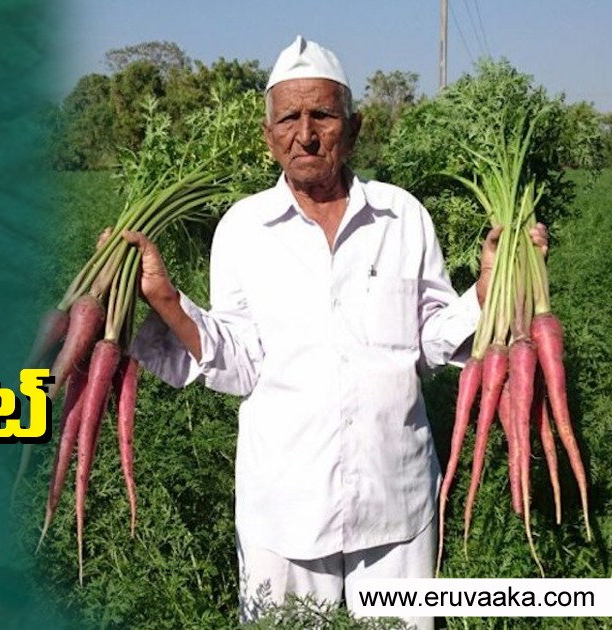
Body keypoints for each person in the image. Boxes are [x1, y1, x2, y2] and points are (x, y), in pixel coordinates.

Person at [120, 36, 548, 629]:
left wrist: (487, 286)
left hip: (396, 497)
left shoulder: (403, 217)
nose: (306, 133)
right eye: (289, 118)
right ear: (268, 133)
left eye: (322, 114)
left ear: (354, 126)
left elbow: (429, 343)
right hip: (284, 506)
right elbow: (240, 364)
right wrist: (165, 299)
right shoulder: (243, 229)